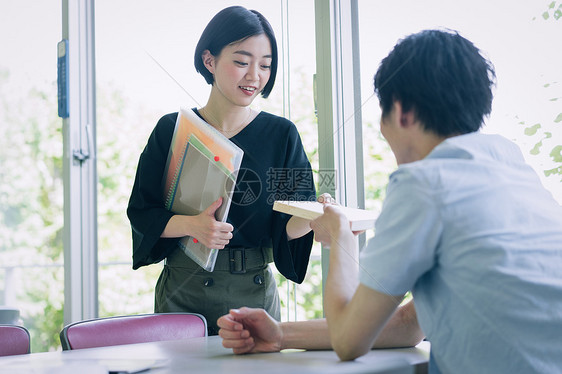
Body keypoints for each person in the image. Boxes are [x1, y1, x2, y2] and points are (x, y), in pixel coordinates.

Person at [218, 29, 562, 373]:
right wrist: (280, 335)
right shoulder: (510, 165)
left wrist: (341, 235)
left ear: (402, 113)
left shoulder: (424, 182)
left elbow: (349, 340)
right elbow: (410, 324)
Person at [127, 6, 319, 335]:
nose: (254, 76)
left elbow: (290, 222)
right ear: (209, 60)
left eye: (265, 65)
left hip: (254, 295)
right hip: (181, 295)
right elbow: (142, 212)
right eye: (242, 62)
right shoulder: (171, 130)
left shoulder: (282, 135)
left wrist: (319, 214)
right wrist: (192, 225)